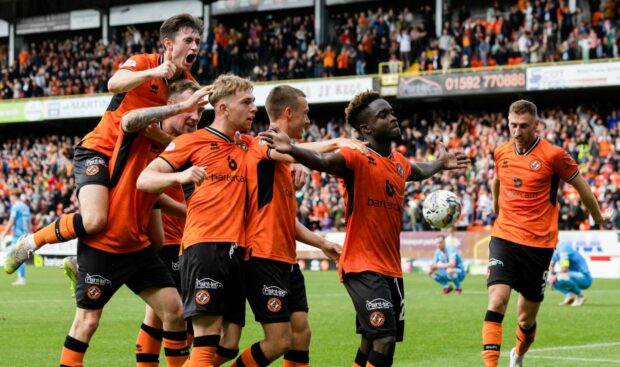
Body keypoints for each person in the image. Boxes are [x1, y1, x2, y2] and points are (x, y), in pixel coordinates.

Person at [260, 90, 469, 367]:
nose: (392, 117)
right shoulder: (355, 156)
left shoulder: (399, 163)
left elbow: (418, 171)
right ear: (366, 128)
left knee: (371, 341)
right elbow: (324, 162)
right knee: (385, 338)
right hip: (361, 265)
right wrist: (293, 149)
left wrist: (440, 165)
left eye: (391, 112)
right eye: (383, 115)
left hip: (391, 269)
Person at [4, 13, 203, 275]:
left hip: (137, 163)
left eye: (198, 41)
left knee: (155, 239)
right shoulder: (144, 62)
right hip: (100, 151)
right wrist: (153, 71)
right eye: (188, 40)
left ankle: (84, 265)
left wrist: (164, 139)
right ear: (168, 44)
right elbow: (113, 83)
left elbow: (188, 140)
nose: (195, 47)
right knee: (96, 219)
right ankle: (30, 243)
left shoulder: (189, 86)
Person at [59, 79, 210, 367]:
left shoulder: (184, 143)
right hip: (109, 242)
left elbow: (154, 191)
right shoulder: (141, 133)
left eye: (199, 113)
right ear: (169, 108)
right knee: (88, 322)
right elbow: (129, 120)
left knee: (173, 311)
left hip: (143, 243)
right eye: (188, 110)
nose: (193, 117)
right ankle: (36, 242)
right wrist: (178, 107)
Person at [234, 85, 362, 367]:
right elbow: (292, 152)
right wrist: (338, 142)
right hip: (263, 257)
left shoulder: (285, 163)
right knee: (279, 342)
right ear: (288, 113)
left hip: (286, 260)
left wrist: (322, 243)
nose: (307, 120)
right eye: (305, 114)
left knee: (301, 333)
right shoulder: (263, 143)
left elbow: (286, 220)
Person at [482, 99, 613, 367]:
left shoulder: (554, 155)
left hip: (538, 245)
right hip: (504, 236)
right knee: (497, 302)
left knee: (525, 320)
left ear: (536, 125)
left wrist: (597, 216)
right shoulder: (501, 152)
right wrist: (497, 208)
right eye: (512, 125)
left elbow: (581, 186)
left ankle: (518, 355)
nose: (517, 132)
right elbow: (497, 179)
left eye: (523, 126)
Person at [137, 74, 256, 366]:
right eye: (247, 102)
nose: (254, 108)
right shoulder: (193, 142)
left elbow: (285, 150)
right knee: (205, 341)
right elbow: (145, 179)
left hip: (236, 249)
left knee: (228, 345)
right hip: (204, 248)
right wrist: (181, 175)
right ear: (224, 108)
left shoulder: (247, 144)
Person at [1, 192, 31, 285]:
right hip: (25, 234)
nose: (10, 199)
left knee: (16, 256)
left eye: (11, 196)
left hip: (18, 234)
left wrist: (4, 233)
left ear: (14, 196)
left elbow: (11, 221)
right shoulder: (26, 207)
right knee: (20, 255)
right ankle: (21, 278)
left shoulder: (15, 207)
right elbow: (29, 221)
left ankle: (21, 278)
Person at [548, 242, 592, 307]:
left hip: (584, 277)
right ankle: (570, 295)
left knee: (561, 277)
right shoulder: (556, 250)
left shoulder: (563, 248)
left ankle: (580, 296)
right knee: (546, 277)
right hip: (571, 275)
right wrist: (550, 276)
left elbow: (565, 268)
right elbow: (551, 265)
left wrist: (554, 277)